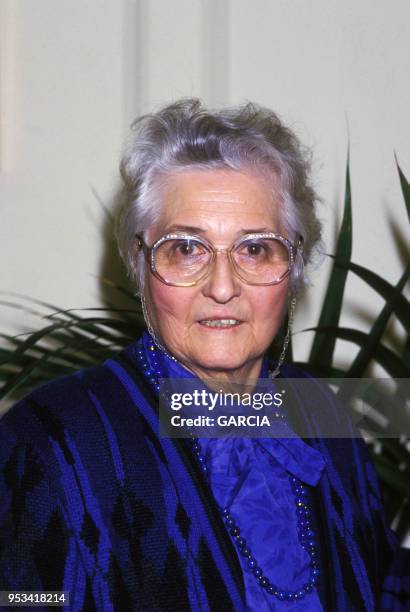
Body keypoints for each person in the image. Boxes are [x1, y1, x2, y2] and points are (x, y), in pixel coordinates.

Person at [0, 98, 408, 611]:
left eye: (255, 248)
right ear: (140, 264)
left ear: (296, 266)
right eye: (186, 248)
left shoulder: (322, 413)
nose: (222, 287)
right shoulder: (47, 441)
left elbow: (383, 582)